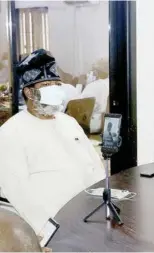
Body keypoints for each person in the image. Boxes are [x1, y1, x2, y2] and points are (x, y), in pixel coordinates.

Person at [0, 49, 105, 233]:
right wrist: (47, 232)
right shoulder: (10, 132)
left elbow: (95, 166)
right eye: (47, 84)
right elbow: (19, 193)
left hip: (89, 217)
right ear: (29, 93)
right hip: (51, 226)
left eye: (57, 84)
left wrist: (102, 207)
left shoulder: (69, 122)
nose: (56, 89)